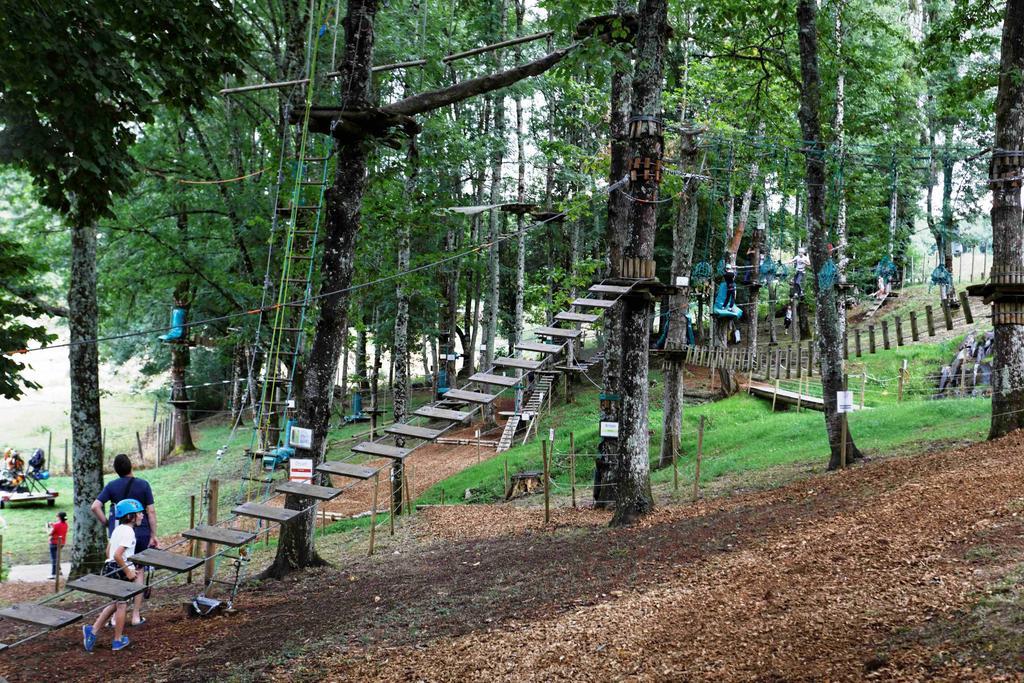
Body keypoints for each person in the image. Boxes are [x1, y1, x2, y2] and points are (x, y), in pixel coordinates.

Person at [91, 454, 157, 626]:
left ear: (116, 470)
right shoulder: (143, 485)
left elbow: (95, 506)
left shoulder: (112, 486)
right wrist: (153, 535)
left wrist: (107, 523)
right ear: (131, 467)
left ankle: (115, 617)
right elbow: (150, 512)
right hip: (141, 533)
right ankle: (135, 615)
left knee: (118, 571)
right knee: (138, 572)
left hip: (119, 532)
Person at [82, 498, 143, 652]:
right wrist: (128, 570)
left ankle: (93, 630)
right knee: (122, 605)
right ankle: (117, 640)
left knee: (115, 604)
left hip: (110, 566)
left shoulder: (117, 529)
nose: (142, 516)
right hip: (119, 567)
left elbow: (108, 550)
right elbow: (117, 554)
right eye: (139, 513)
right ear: (130, 516)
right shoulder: (129, 531)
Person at [46, 511, 67, 580]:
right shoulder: (65, 524)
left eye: (57, 516)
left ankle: (53, 574)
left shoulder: (56, 525)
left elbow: (50, 533)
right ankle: (59, 571)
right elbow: (58, 527)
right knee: (57, 556)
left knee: (54, 558)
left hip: (54, 543)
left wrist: (47, 528)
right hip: (62, 543)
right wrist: (52, 524)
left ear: (59, 517)